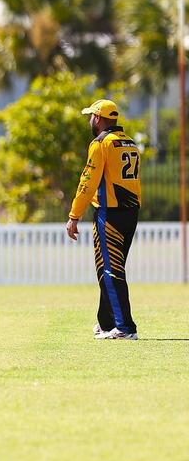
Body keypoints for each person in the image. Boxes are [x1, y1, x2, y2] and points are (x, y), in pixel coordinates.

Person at [65, 99, 141, 340]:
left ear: (98, 118)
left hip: (110, 213)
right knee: (112, 269)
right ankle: (106, 322)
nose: (90, 120)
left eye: (91, 116)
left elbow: (87, 183)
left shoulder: (100, 144)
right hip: (131, 213)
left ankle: (124, 327)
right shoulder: (129, 143)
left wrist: (74, 216)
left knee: (109, 269)